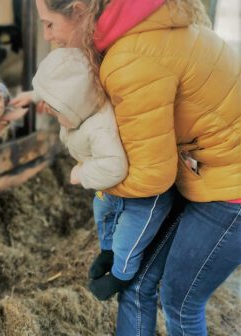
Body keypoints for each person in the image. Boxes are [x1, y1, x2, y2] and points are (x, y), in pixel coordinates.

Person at [11, 0, 241, 336]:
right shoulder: (141, 25)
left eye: (49, 23)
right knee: (136, 284)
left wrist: (93, 181)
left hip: (229, 191)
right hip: (203, 169)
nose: (48, 36)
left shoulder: (131, 56)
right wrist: (43, 97)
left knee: (181, 300)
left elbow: (149, 177)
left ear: (78, 11)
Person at [31, 46, 173, 300]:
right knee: (102, 212)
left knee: (129, 236)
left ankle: (120, 275)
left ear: (73, 102)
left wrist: (82, 173)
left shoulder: (100, 127)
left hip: (142, 195)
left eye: (55, 106)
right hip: (111, 190)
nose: (49, 110)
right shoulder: (80, 113)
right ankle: (107, 251)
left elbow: (114, 166)